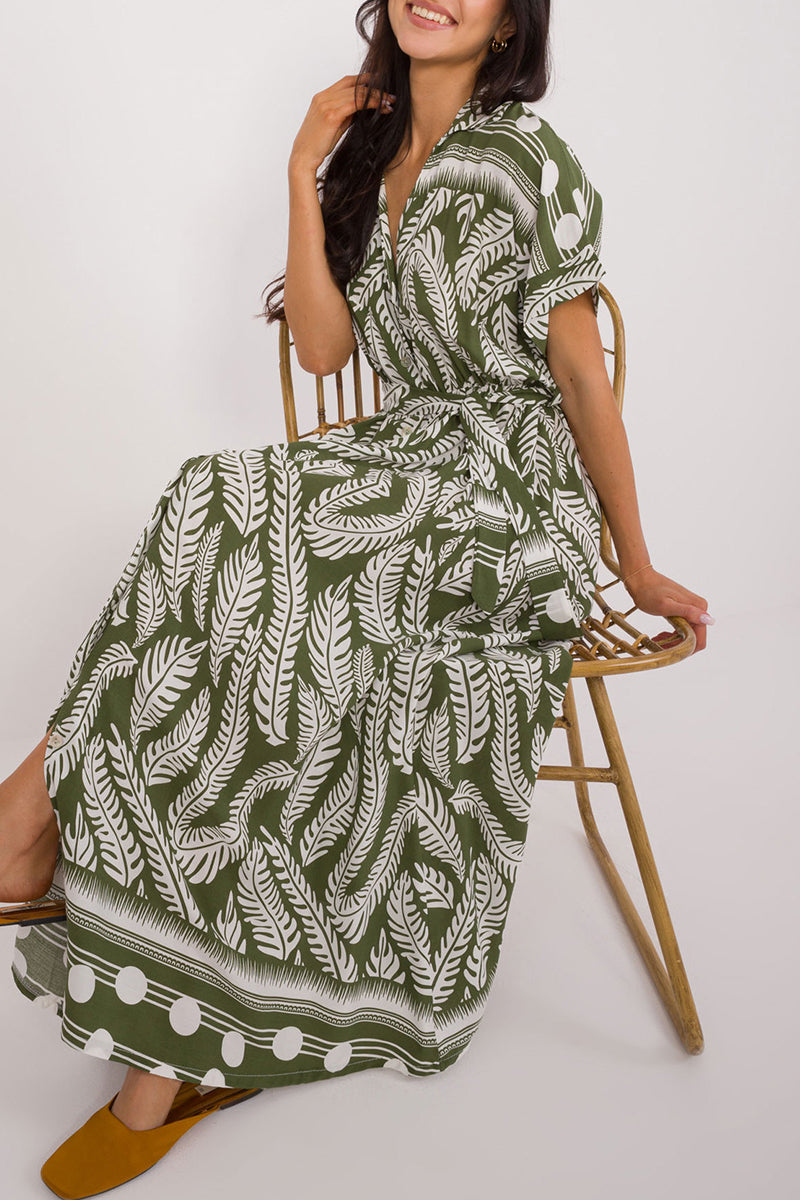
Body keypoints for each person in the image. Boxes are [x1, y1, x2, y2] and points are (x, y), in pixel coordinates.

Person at [1, 1, 713, 1196]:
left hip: (510, 500)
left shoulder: (526, 159)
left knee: (276, 555)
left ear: (508, 21)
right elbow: (327, 353)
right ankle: (75, 868)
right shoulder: (368, 163)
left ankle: (48, 860)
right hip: (402, 463)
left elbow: (579, 375)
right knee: (211, 503)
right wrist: (301, 167)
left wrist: (631, 562)